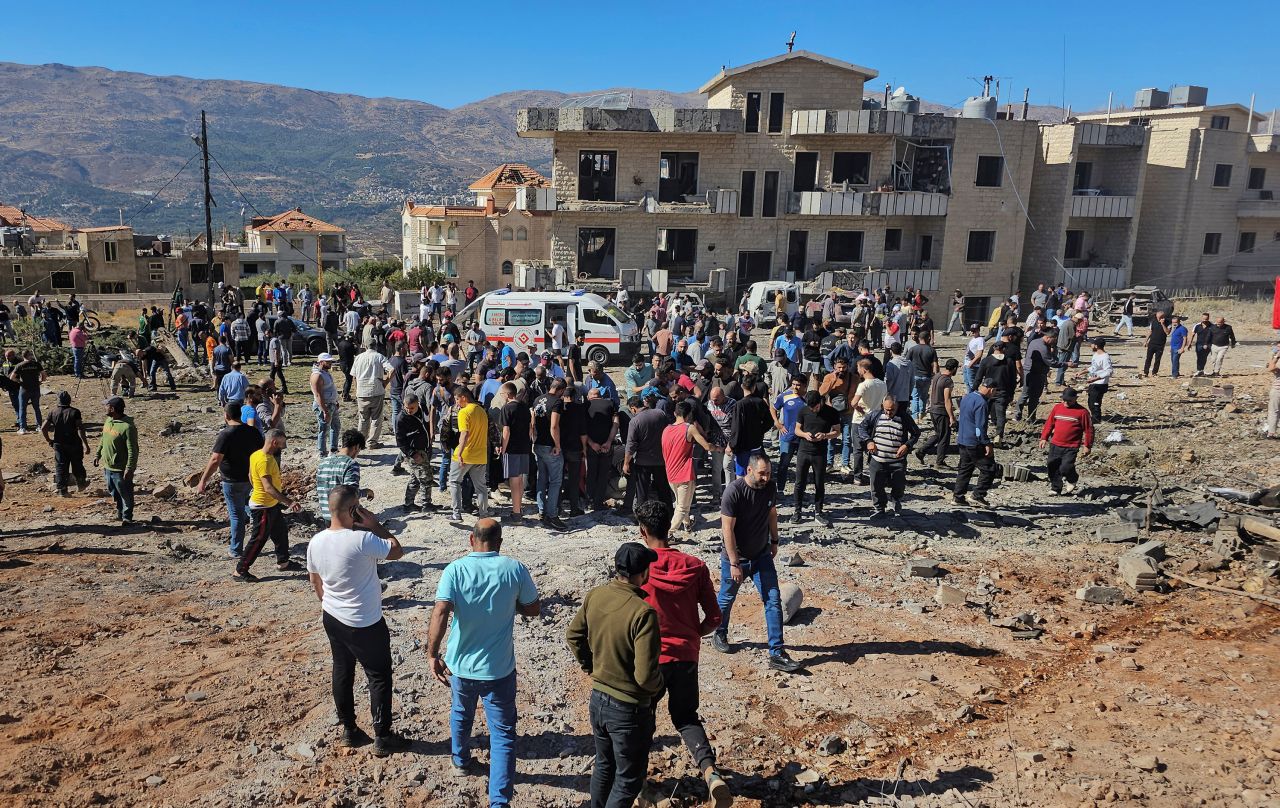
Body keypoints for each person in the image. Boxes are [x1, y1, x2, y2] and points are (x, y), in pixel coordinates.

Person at [427, 518, 540, 806]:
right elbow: (533, 609)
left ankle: (460, 760)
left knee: (461, 713)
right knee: (502, 736)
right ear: (500, 543)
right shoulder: (514, 568)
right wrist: (512, 603)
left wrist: (432, 654)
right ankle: (499, 802)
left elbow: (441, 611)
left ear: (471, 540)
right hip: (499, 669)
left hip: (461, 666)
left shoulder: (455, 569)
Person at [632, 500, 732, 806]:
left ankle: (638, 785)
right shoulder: (695, 566)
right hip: (686, 656)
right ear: (669, 528)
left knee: (642, 719)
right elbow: (715, 617)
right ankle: (711, 773)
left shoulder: (639, 568)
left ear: (643, 531)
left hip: (650, 660)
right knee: (686, 717)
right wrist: (693, 634)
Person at [307, 485, 410, 757]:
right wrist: (376, 525)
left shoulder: (316, 541)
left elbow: (315, 581)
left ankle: (350, 730)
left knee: (342, 670)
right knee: (378, 676)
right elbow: (397, 550)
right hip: (365, 622)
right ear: (354, 509)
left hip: (332, 616)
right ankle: (382, 736)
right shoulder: (363, 540)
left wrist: (330, 603)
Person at [566, 542, 663, 808]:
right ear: (643, 574)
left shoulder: (595, 595)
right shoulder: (644, 613)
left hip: (598, 700)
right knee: (629, 779)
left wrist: (591, 666)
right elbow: (644, 676)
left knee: (604, 766)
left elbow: (573, 635)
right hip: (629, 710)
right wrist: (659, 685)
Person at [711, 452, 802, 673]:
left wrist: (774, 540)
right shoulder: (733, 492)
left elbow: (772, 514)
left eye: (768, 473)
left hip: (761, 555)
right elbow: (727, 530)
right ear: (749, 470)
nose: (766, 478)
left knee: (773, 599)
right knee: (726, 598)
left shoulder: (769, 488)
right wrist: (734, 562)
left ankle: (777, 652)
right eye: (762, 473)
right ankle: (720, 631)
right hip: (737, 558)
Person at [196, 402, 266, 557]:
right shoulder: (253, 432)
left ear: (226, 415)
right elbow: (262, 454)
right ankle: (257, 534)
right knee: (248, 506)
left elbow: (215, 460)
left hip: (231, 481)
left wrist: (203, 480)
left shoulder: (226, 434)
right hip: (250, 479)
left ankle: (236, 549)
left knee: (236, 515)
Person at [234, 429, 304, 582]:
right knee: (258, 539)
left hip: (270, 504)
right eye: (282, 444)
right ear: (274, 442)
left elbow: (251, 476)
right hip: (262, 506)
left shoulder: (256, 455)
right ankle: (240, 570)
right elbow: (268, 488)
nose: (283, 448)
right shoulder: (264, 460)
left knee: (280, 532)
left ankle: (283, 562)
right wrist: (289, 502)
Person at [859, 394, 920, 517]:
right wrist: (868, 441)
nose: (888, 412)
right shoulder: (875, 415)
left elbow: (916, 433)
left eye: (892, 410)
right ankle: (880, 508)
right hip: (877, 458)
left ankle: (896, 499)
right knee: (876, 485)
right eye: (886, 409)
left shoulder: (904, 417)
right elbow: (862, 428)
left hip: (897, 460)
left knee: (899, 484)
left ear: (897, 407)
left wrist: (907, 445)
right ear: (882, 406)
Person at [662, 399, 713, 537]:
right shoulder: (689, 428)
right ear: (689, 415)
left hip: (670, 472)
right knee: (683, 506)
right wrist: (718, 448)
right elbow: (706, 446)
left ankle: (687, 524)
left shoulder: (666, 429)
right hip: (684, 473)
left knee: (681, 502)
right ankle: (668, 534)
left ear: (674, 413)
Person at [792, 390, 841, 525]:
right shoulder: (803, 411)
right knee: (799, 483)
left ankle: (818, 512)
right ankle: (797, 511)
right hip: (803, 451)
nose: (813, 410)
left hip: (820, 453)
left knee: (819, 483)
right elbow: (796, 429)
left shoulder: (831, 412)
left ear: (821, 401)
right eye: (811, 407)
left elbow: (837, 431)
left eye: (815, 407)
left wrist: (825, 435)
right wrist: (804, 434)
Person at [949, 379, 996, 508]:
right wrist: (986, 443)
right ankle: (978, 495)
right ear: (991, 389)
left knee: (965, 469)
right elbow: (979, 427)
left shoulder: (967, 397)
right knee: (989, 468)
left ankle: (958, 497)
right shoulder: (982, 403)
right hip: (973, 441)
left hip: (962, 439)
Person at [623, 392, 673, 510]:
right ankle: (669, 514)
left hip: (643, 462)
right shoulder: (660, 414)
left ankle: (642, 517)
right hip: (661, 460)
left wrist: (626, 463)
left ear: (633, 408)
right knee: (664, 490)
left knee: (642, 493)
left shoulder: (635, 421)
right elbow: (669, 433)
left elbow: (631, 445)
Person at [1040, 387, 1093, 496]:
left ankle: (1072, 478)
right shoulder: (1057, 408)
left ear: (1075, 399)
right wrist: (1044, 438)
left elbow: (1089, 430)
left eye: (1069, 400)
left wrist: (1087, 445)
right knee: (1052, 466)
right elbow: (1049, 424)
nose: (1066, 402)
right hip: (1055, 443)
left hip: (1071, 445)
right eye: (1064, 400)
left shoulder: (1082, 412)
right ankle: (1056, 488)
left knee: (1066, 467)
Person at [450, 386, 491, 524]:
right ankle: (483, 515)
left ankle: (456, 514)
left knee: (455, 481)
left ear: (463, 397)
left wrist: (459, 453)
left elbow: (464, 434)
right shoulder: (481, 411)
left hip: (466, 454)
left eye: (457, 399)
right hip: (481, 454)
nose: (456, 402)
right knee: (481, 487)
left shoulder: (464, 412)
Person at [315, 429, 375, 522]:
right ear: (357, 447)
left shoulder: (323, 463)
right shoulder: (350, 464)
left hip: (327, 516)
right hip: (343, 518)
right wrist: (366, 492)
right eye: (359, 450)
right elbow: (351, 494)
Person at [98, 396, 138, 524]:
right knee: (114, 492)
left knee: (125, 493)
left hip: (120, 468)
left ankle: (127, 517)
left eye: (107, 405)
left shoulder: (127, 427)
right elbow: (103, 439)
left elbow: (133, 450)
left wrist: (130, 468)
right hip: (108, 466)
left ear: (113, 408)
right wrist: (98, 454)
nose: (105, 407)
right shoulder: (108, 421)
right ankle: (119, 513)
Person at [395, 393, 439, 512]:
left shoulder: (422, 410)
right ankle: (426, 504)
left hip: (424, 449)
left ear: (418, 404)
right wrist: (413, 454)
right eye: (407, 408)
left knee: (415, 479)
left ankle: (409, 504)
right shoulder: (401, 419)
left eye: (412, 408)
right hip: (414, 453)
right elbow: (400, 441)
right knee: (426, 478)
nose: (409, 410)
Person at [41, 391, 90, 496]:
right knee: (77, 464)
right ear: (69, 400)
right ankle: (81, 484)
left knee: (61, 466)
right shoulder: (75, 412)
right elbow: (80, 428)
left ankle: (62, 490)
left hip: (59, 443)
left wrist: (49, 440)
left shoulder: (53, 412)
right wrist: (86, 445)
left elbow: (43, 428)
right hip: (74, 443)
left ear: (58, 400)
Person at [916, 358, 958, 468]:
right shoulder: (948, 381)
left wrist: (929, 405)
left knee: (939, 434)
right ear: (954, 369)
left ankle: (922, 450)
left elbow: (931, 392)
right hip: (941, 411)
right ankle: (939, 461)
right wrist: (951, 417)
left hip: (933, 409)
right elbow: (947, 400)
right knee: (944, 436)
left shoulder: (937, 376)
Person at [770, 375, 808, 496]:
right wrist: (777, 423)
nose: (795, 387)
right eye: (794, 384)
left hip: (803, 436)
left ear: (805, 386)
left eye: (798, 385)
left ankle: (801, 490)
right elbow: (773, 407)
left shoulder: (808, 398)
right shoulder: (785, 396)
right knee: (784, 464)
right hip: (787, 436)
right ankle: (780, 489)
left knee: (803, 465)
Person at [351, 342, 393, 448]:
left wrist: (357, 390)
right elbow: (392, 370)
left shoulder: (358, 357)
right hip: (376, 391)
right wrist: (386, 382)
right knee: (376, 418)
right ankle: (372, 442)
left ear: (365, 346)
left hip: (362, 392)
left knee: (363, 419)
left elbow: (354, 376)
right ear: (376, 346)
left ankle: (360, 443)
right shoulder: (379, 357)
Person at [584, 387, 619, 511]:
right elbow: (615, 423)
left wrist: (592, 443)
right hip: (606, 446)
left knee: (591, 473)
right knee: (603, 474)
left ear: (589, 396)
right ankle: (599, 503)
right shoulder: (610, 403)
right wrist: (609, 442)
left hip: (591, 446)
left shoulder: (586, 405)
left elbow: (582, 428)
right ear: (600, 396)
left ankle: (590, 501)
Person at [311, 353, 342, 457]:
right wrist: (324, 410)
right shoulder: (317, 375)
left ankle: (333, 449)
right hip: (324, 406)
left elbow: (329, 388)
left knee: (335, 426)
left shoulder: (325, 373)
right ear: (321, 362)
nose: (330, 363)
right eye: (328, 361)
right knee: (324, 429)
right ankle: (322, 453)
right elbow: (318, 395)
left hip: (331, 404)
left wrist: (335, 401)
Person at [11, 349, 46, 433]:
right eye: (31, 354)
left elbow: (12, 377)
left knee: (22, 408)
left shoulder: (20, 365)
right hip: (35, 389)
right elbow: (44, 374)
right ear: (28, 355)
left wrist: (19, 381)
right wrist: (41, 381)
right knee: (36, 408)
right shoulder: (36, 364)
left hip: (24, 389)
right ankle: (39, 426)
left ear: (23, 356)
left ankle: (23, 428)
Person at [1085, 338, 1113, 422]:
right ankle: (1094, 417)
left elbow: (1109, 371)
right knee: (1090, 402)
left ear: (1096, 346)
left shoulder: (1105, 357)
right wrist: (1083, 372)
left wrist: (1095, 378)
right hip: (1094, 383)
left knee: (1095, 403)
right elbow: (1094, 367)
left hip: (1100, 384)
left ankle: (1096, 420)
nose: (1091, 345)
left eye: (1092, 344)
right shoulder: (1096, 355)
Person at [1141, 310, 1171, 378]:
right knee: (1148, 358)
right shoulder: (1153, 321)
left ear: (1163, 317)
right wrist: (1145, 341)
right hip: (1152, 343)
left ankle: (1154, 372)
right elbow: (1150, 331)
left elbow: (1167, 332)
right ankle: (1146, 372)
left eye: (1160, 317)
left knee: (1157, 359)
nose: (1158, 319)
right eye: (1157, 317)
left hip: (1160, 344)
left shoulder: (1168, 322)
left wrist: (1162, 324)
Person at [1190, 312, 1213, 376]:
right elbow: (1192, 334)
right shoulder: (1197, 326)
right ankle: (1199, 370)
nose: (1205, 320)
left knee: (1204, 357)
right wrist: (1190, 343)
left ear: (1208, 318)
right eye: (1204, 319)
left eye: (1206, 319)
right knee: (1199, 357)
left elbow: (1214, 335)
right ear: (1201, 318)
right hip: (1199, 344)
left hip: (1208, 344)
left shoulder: (1212, 326)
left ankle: (1201, 370)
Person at [1266, 342, 1280, 439]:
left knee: (1273, 411)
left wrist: (1275, 357)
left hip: (1277, 389)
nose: (1277, 348)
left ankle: (1271, 433)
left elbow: (1270, 368)